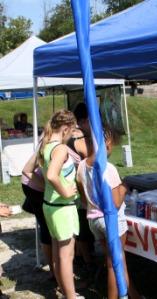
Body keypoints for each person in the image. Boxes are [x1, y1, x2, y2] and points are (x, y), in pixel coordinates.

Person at [76, 127, 141, 299]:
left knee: (118, 260)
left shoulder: (81, 166)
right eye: (112, 144)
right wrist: (125, 186)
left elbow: (83, 199)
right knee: (114, 264)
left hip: (93, 220)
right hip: (110, 220)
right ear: (107, 142)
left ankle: (133, 294)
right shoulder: (108, 168)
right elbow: (116, 202)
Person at [38, 110, 80, 299]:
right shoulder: (61, 148)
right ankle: (71, 296)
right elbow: (51, 175)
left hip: (50, 205)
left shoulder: (46, 145)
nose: (72, 136)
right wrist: (66, 192)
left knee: (57, 253)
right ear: (65, 129)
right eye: (71, 132)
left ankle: (64, 290)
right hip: (62, 208)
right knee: (66, 256)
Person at [69, 103, 95, 271]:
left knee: (79, 225)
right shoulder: (79, 137)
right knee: (83, 226)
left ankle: (80, 255)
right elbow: (93, 159)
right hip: (78, 188)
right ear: (85, 120)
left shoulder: (72, 133)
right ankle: (88, 262)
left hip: (73, 187)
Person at [22, 152, 54, 281]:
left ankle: (56, 270)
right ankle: (54, 271)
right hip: (37, 188)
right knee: (47, 229)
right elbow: (27, 170)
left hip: (39, 186)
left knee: (49, 229)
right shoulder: (51, 143)